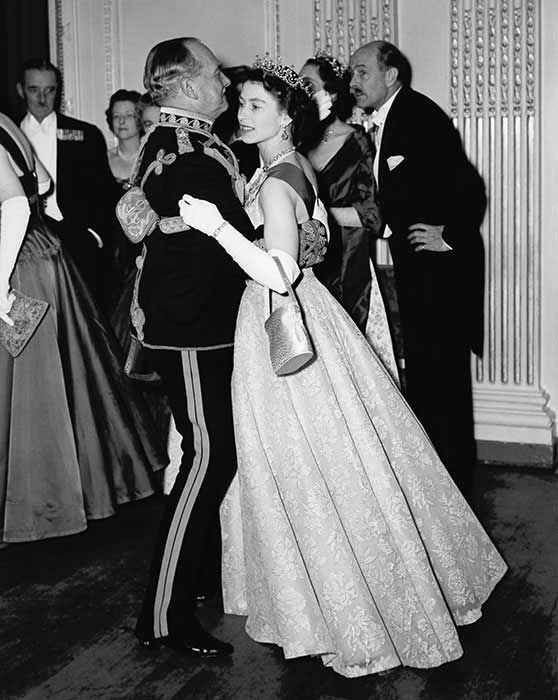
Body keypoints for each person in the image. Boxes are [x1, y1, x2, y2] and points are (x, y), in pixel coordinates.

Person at [178, 57, 506, 679]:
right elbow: (317, 236)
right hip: (308, 313)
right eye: (240, 104)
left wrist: (218, 228)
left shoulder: (276, 180)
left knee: (301, 460)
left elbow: (278, 269)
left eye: (254, 106)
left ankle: (334, 603)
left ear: (286, 115)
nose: (240, 115)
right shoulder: (288, 168)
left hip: (280, 315)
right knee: (329, 457)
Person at [129, 37, 256, 657]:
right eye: (213, 74)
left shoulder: (193, 143)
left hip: (199, 323)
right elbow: (230, 236)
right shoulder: (185, 151)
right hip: (191, 328)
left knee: (210, 455)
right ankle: (163, 615)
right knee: (209, 457)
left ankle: (194, 577)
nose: (225, 84)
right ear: (181, 84)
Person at [0, 112, 168, 545]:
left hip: (19, 265)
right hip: (40, 256)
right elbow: (38, 188)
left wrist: (1, 281)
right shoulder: (6, 125)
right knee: (63, 381)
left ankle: (42, 503)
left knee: (34, 393)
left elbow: (17, 203)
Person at [349, 41, 486, 499]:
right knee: (429, 380)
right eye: (352, 73)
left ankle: (454, 492)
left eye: (363, 72)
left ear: (390, 75)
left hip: (440, 275)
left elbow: (469, 187)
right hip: (419, 272)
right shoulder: (390, 118)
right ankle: (442, 490)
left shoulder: (418, 115)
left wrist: (450, 235)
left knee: (441, 383)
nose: (354, 82)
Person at [300, 52, 396, 377]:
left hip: (345, 265)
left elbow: (373, 215)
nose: (299, 92)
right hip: (304, 264)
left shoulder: (355, 141)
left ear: (332, 94)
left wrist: (317, 216)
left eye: (307, 85)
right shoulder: (295, 142)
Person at [17, 58, 116, 310]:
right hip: (22, 243)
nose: (42, 98)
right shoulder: (8, 134)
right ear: (20, 90)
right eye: (33, 90)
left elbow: (104, 192)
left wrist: (95, 236)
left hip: (76, 241)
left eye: (49, 90)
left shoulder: (85, 134)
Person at [106, 89, 143, 187]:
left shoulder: (151, 158)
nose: (121, 121)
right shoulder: (103, 160)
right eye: (116, 116)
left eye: (129, 115)